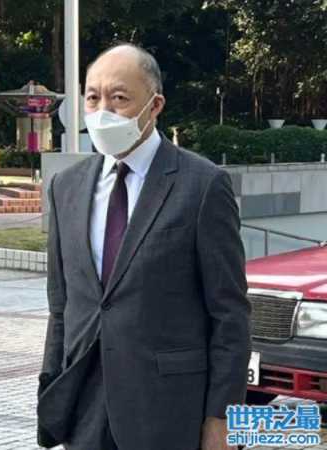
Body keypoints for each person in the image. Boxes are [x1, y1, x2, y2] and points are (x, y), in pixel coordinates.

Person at [37, 43, 250, 450]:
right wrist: (51, 394)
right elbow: (61, 307)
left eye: (119, 99)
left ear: (154, 106)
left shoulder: (202, 186)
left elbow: (230, 314)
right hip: (84, 411)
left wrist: (222, 418)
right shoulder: (67, 187)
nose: (103, 111)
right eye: (93, 98)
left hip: (168, 412)